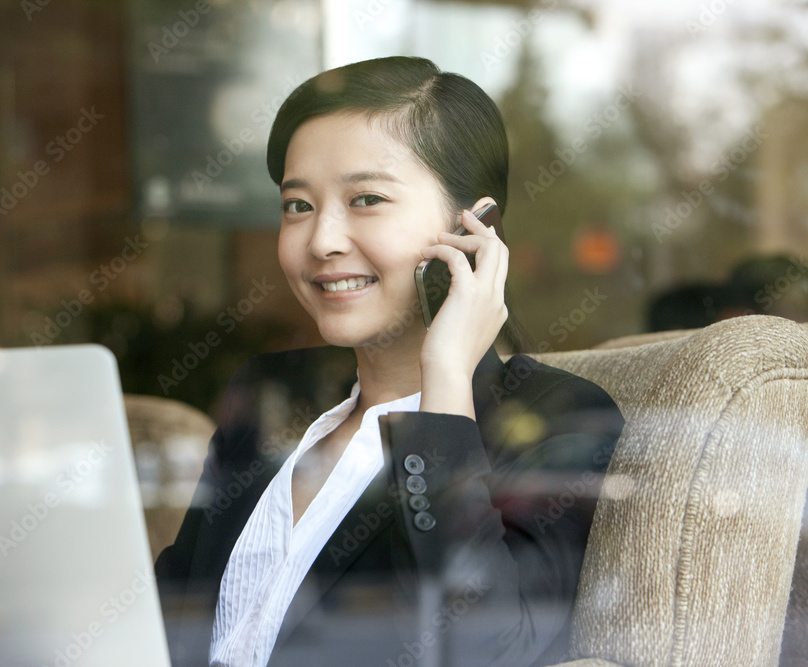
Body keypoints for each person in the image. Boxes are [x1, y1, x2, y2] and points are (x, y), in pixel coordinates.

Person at [155, 56, 624, 667]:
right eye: (297, 205)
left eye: (367, 198)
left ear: (474, 227)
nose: (321, 240)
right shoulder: (272, 392)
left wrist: (448, 376)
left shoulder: (558, 417)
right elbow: (169, 615)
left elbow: (488, 651)